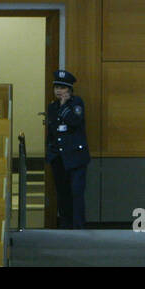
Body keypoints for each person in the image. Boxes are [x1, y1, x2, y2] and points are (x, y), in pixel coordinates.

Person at [45, 69, 90, 229]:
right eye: (56, 87)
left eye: (62, 88)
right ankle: (65, 224)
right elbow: (52, 132)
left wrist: (64, 107)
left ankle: (78, 226)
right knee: (62, 193)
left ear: (70, 90)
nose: (59, 91)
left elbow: (75, 122)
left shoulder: (77, 104)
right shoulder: (52, 107)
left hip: (76, 157)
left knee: (76, 193)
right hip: (59, 157)